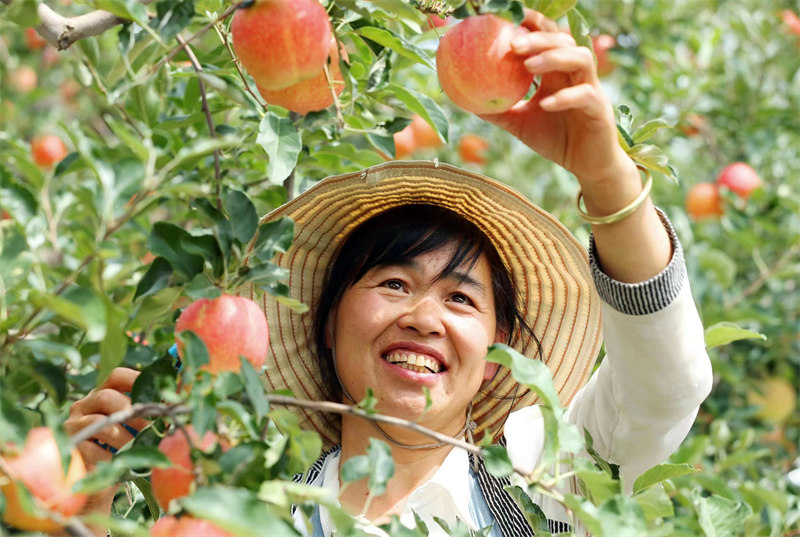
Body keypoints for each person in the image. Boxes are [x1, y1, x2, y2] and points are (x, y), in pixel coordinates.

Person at [65, 9, 712, 537]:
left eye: (460, 297)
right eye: (394, 283)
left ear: (498, 354)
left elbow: (667, 385)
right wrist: (82, 506)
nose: (423, 317)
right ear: (326, 323)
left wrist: (605, 177)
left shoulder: (546, 483)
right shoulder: (248, 520)